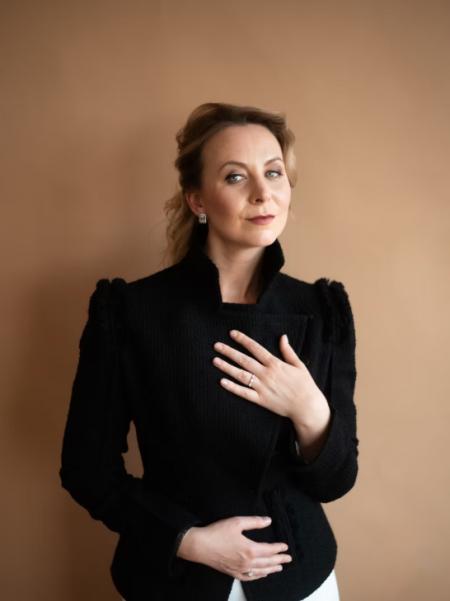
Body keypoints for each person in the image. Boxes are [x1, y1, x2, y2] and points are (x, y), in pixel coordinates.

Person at [59, 102, 359, 601]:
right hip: (172, 580)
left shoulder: (323, 311)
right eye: (236, 177)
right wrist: (187, 540)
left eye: (273, 172)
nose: (263, 192)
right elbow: (86, 469)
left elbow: (337, 479)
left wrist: (308, 408)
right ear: (197, 200)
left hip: (301, 584)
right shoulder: (130, 312)